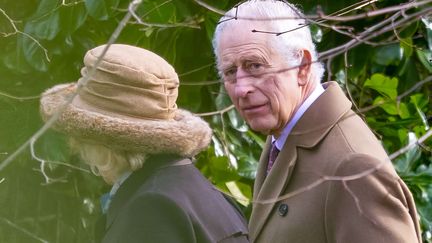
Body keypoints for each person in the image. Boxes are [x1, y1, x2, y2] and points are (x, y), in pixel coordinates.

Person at [212, 1, 422, 242]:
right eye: (230, 72)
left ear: (302, 67)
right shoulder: (282, 137)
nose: (241, 89)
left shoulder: (353, 168)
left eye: (255, 66)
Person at [40, 44, 249, 243]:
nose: (75, 144)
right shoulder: (201, 192)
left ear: (101, 140)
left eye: (80, 133)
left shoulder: (151, 208)